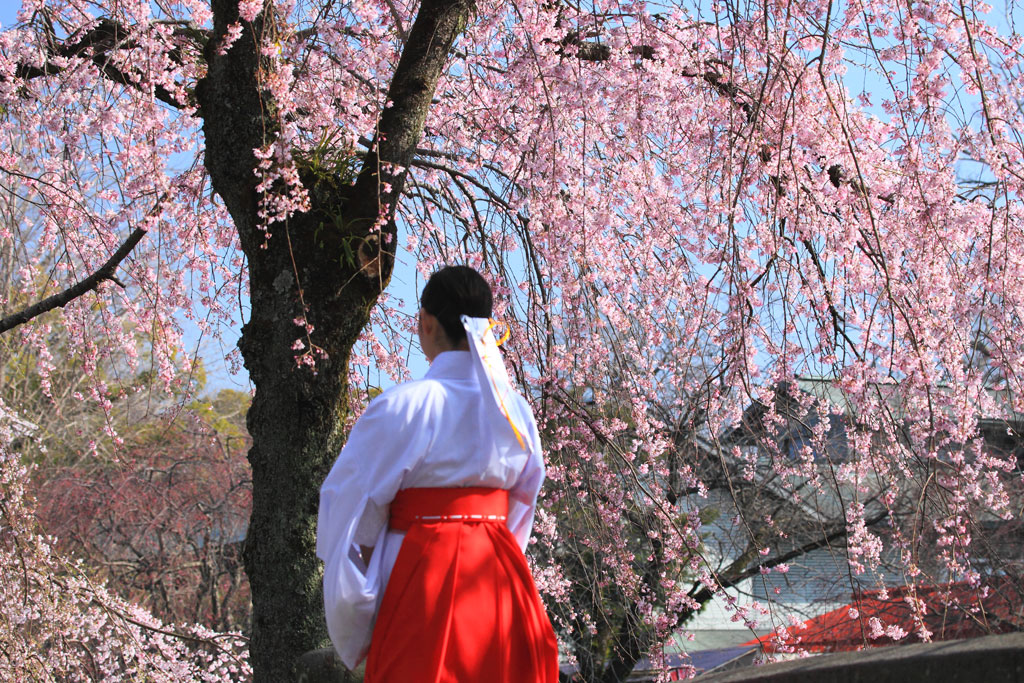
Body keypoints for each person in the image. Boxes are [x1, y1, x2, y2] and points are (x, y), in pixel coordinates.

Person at [316, 265, 559, 682]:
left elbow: (351, 508)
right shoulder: (515, 410)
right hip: (499, 573)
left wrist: (362, 602)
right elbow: (523, 503)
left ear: (426, 323)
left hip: (422, 573)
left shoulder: (403, 406)